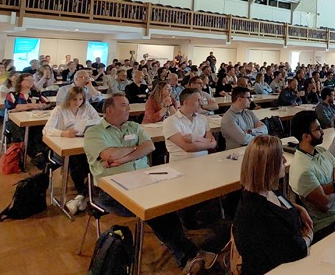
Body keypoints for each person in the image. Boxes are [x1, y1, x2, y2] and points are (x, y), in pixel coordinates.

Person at [83, 93, 218, 273]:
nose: (129, 109)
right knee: (158, 209)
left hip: (144, 181)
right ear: (109, 110)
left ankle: (183, 248)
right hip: (111, 191)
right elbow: (108, 155)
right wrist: (136, 149)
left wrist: (124, 157)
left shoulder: (133, 126)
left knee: (170, 199)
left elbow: (149, 146)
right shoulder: (94, 132)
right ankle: (188, 255)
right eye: (124, 105)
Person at [233, 135, 312, 275]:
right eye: (281, 159)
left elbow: (279, 208)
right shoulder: (256, 213)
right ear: (269, 167)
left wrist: (299, 209)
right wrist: (309, 236)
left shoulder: (266, 190)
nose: (285, 161)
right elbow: (295, 251)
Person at [288, 111, 335, 241]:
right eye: (318, 129)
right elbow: (325, 205)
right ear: (306, 136)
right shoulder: (302, 169)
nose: (322, 132)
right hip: (329, 225)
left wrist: (326, 188)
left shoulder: (323, 152)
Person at [43, 87, 101, 214]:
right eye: (74, 99)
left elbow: (99, 122)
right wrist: (63, 133)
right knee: (76, 160)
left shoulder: (87, 108)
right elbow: (46, 130)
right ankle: (83, 192)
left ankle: (83, 195)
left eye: (81, 99)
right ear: (68, 99)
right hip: (63, 149)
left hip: (84, 144)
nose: (78, 102)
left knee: (98, 160)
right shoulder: (59, 110)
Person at [5, 73, 50, 165]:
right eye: (28, 80)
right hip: (16, 121)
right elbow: (12, 107)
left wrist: (41, 106)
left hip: (34, 119)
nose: (31, 82)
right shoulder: (13, 95)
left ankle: (42, 154)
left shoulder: (35, 94)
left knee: (42, 131)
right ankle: (35, 154)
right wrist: (31, 105)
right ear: (21, 82)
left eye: (32, 80)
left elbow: (46, 103)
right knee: (26, 134)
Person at [163, 89, 217, 162]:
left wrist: (195, 138)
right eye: (197, 101)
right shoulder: (170, 121)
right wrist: (210, 144)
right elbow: (188, 147)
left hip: (204, 162)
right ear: (186, 102)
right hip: (181, 165)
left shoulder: (202, 118)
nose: (201, 104)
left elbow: (212, 140)